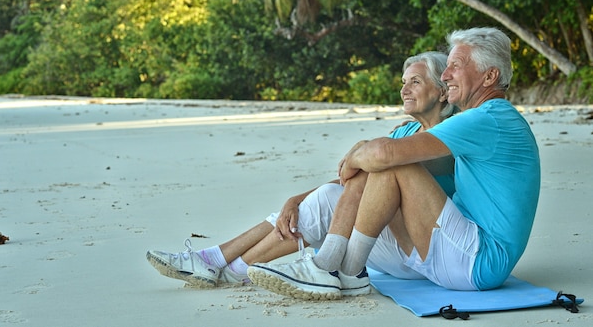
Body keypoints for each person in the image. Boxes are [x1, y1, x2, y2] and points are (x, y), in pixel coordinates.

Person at [247, 27, 541, 300]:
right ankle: (340, 268)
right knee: (385, 164)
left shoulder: (487, 118)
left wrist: (355, 156)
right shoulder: (484, 119)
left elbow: (386, 155)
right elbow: (385, 156)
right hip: (462, 254)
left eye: (456, 66)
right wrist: (366, 155)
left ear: (489, 77)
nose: (447, 75)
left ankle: (337, 268)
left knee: (397, 162)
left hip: (478, 260)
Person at [146, 51, 456, 293]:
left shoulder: (449, 136)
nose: (404, 89)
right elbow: (353, 183)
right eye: (403, 82)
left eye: (415, 81)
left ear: (443, 92)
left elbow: (383, 171)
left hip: (420, 252)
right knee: (321, 198)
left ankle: (223, 266)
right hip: (386, 241)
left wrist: (364, 149)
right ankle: (220, 263)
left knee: (323, 203)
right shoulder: (405, 133)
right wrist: (294, 199)